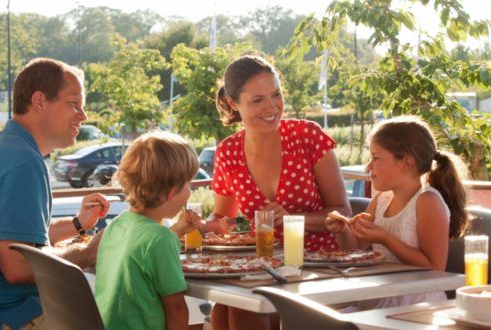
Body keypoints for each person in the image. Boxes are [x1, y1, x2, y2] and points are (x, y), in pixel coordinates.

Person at [0, 58, 110, 330]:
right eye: (74, 103)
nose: (83, 116)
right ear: (39, 101)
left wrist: (77, 225)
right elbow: (19, 267)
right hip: (16, 318)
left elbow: (16, 237)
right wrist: (86, 252)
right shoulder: (21, 160)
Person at [207, 55, 351, 330]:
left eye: (276, 94)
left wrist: (292, 218)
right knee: (224, 310)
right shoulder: (227, 152)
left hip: (316, 266)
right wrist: (217, 226)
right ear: (233, 103)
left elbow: (342, 212)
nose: (272, 107)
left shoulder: (308, 136)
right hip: (261, 268)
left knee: (244, 310)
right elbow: (224, 220)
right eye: (257, 100)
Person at [325, 115, 468, 310]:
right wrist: (342, 231)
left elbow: (435, 267)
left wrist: (385, 238)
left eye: (376, 158)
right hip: (380, 299)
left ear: (406, 163)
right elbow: (356, 249)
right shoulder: (382, 199)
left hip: (417, 305)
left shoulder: (427, 201)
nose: (368, 166)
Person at [95, 131, 202, 330]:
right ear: (172, 193)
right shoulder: (160, 239)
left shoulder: (118, 224)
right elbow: (176, 309)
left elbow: (145, 250)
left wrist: (177, 230)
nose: (191, 189)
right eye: (189, 184)